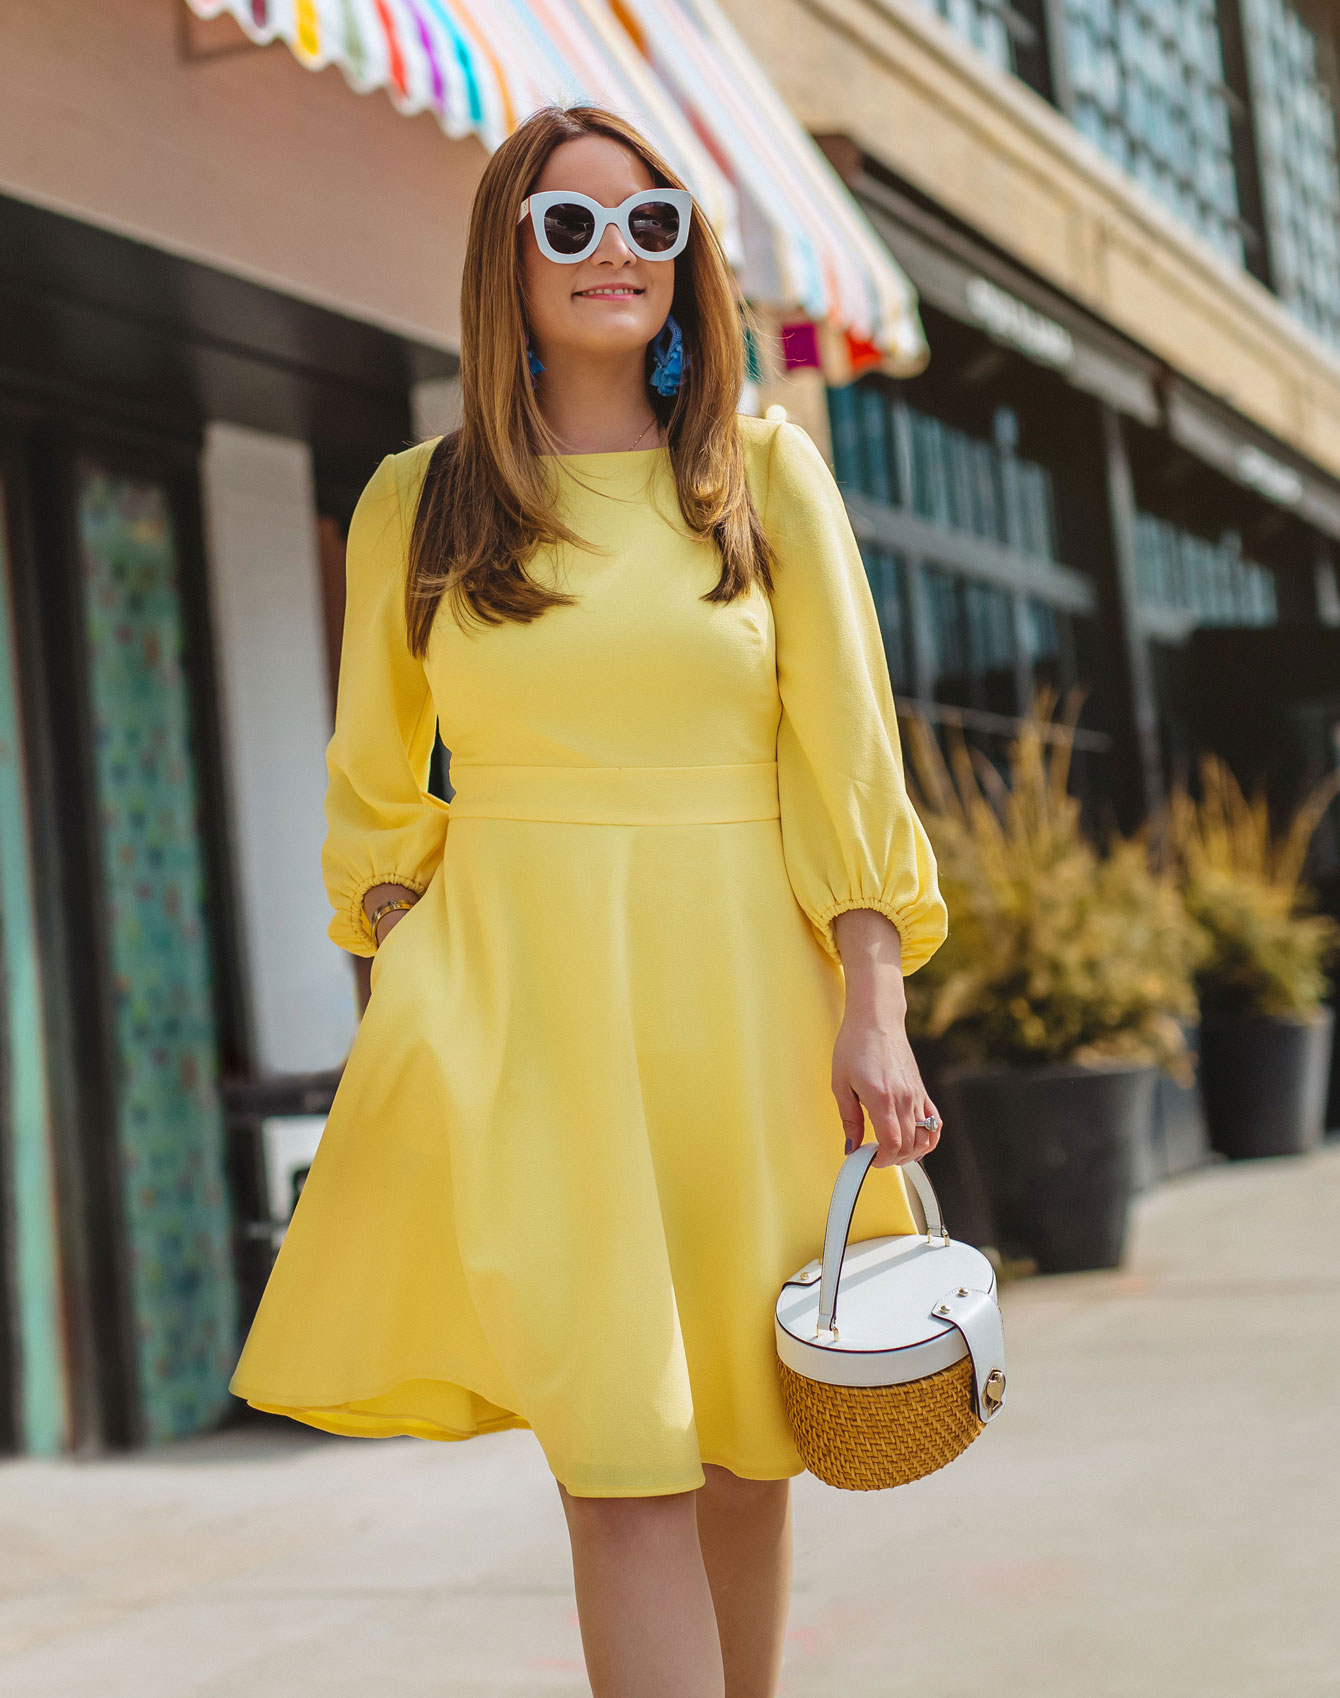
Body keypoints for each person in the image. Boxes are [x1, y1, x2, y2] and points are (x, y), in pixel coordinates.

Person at [230, 104, 947, 1698]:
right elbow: (374, 800)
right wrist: (416, 1015)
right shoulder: (418, 500)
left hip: (747, 1012)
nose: (615, 252)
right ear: (509, 264)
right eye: (568, 224)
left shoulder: (764, 475)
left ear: (686, 257)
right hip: (529, 1018)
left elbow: (848, 763)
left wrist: (873, 1006)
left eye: (651, 220)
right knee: (621, 1460)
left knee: (750, 1451)